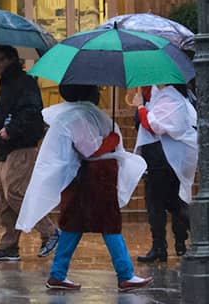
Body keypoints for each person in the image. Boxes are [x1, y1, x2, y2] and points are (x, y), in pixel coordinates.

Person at [18, 83, 152, 292]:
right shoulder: (77, 117)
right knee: (109, 224)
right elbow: (90, 150)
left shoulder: (71, 115)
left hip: (84, 178)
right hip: (95, 178)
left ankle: (58, 274)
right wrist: (112, 140)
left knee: (73, 225)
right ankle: (125, 274)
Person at [0, 45, 59, 262]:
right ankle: (9, 245)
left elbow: (31, 113)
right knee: (3, 199)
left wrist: (12, 129)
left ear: (11, 60)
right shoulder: (7, 84)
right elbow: (9, 114)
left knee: (16, 193)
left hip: (21, 147)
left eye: (0, 60)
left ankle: (50, 231)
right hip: (5, 149)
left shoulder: (24, 83)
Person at [133, 84, 197, 262]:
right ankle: (160, 246)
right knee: (157, 204)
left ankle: (196, 235)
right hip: (159, 158)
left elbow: (153, 126)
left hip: (164, 159)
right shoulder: (160, 95)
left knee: (170, 202)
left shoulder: (171, 98)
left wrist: (140, 106)